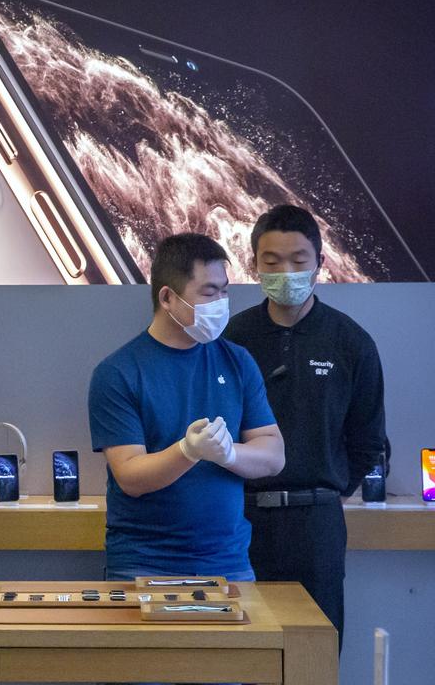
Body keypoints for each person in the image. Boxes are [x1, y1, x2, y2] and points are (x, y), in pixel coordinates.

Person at [224, 204, 388, 649]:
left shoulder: (349, 340)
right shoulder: (233, 339)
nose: (286, 272)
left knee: (313, 651)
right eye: (272, 262)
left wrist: (324, 487)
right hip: (240, 517)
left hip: (316, 522)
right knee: (241, 651)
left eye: (299, 261)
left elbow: (368, 440)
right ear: (253, 265)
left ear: (320, 263)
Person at [88, 233, 285, 583]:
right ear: (168, 297)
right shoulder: (118, 372)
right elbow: (130, 476)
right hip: (143, 565)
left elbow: (273, 455)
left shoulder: (237, 362)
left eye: (225, 291)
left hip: (228, 563)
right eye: (209, 292)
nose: (222, 302)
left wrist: (227, 454)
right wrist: (187, 451)